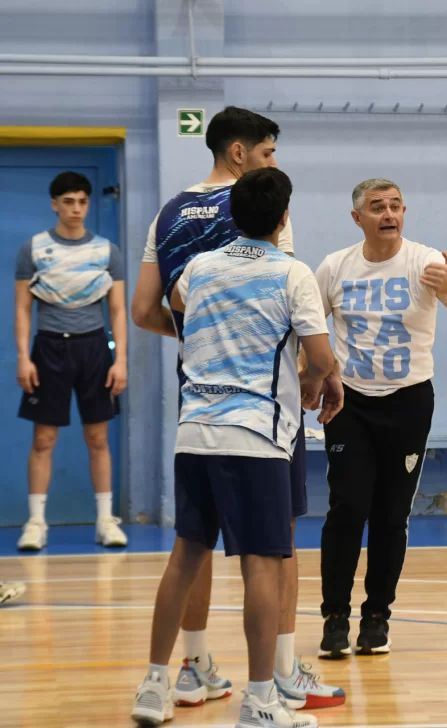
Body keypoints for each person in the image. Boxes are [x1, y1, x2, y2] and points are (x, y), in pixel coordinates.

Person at [131, 107, 344, 711]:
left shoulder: (170, 216)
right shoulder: (272, 221)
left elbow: (148, 311)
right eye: (270, 151)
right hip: (260, 414)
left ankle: (183, 671)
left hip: (195, 407)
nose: (275, 161)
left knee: (188, 549)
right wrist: (313, 376)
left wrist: (210, 334)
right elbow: (309, 343)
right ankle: (274, 680)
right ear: (240, 154)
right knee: (273, 550)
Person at [312, 178, 447, 658]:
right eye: (377, 207)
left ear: (405, 213)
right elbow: (308, 324)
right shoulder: (335, 267)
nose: (389, 214)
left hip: (407, 402)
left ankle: (377, 617)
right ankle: (335, 618)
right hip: (350, 403)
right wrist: (312, 372)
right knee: (347, 508)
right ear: (357, 217)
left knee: (390, 515)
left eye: (396, 206)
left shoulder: (425, 262)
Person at [14, 171, 128, 551]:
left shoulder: (107, 251)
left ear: (88, 204)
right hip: (48, 350)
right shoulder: (33, 249)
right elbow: (21, 309)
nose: (76, 209)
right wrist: (23, 358)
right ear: (55, 204)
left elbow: (116, 311)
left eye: (82, 201)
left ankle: (104, 520)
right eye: (68, 202)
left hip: (95, 350)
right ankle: (35, 522)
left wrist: (120, 360)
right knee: (43, 439)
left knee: (97, 437)